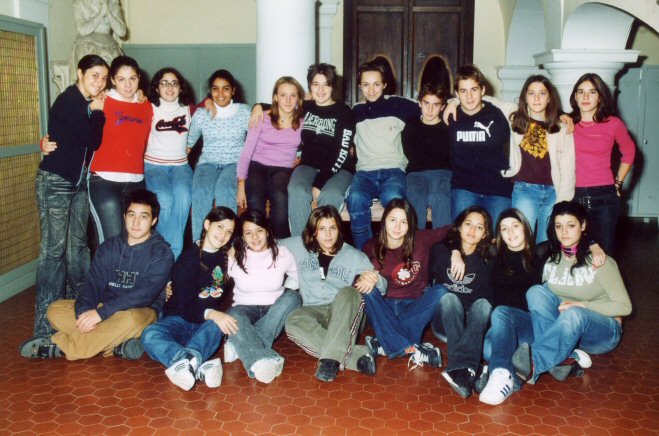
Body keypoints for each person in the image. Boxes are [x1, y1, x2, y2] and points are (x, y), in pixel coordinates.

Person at [19, 190, 174, 360]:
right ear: (124, 216)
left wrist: (100, 315)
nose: (136, 222)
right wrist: (85, 313)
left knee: (131, 320)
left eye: (144, 217)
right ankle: (116, 345)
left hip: (140, 312)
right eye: (131, 215)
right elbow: (92, 285)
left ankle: (62, 347)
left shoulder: (162, 253)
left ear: (153, 220)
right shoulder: (108, 247)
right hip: (105, 309)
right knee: (55, 310)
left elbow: (144, 296)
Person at [24, 55, 109, 348]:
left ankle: (78, 315)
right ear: (79, 73)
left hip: (78, 183)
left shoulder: (88, 101)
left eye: (103, 77)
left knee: (78, 250)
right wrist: (98, 112)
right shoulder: (70, 101)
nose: (100, 82)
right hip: (56, 183)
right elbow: (92, 139)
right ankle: (43, 328)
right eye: (94, 75)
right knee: (53, 253)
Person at [514, 201, 632, 384]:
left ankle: (533, 365)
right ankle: (563, 359)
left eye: (571, 225)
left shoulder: (600, 261)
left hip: (602, 332)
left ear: (583, 225)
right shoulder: (551, 259)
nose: (564, 232)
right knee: (535, 292)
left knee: (574, 313)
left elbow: (625, 307)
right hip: (566, 332)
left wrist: (582, 306)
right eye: (558, 226)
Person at [281, 206, 386, 382]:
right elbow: (268, 243)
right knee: (292, 320)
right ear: (314, 231)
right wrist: (237, 247)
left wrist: (374, 279)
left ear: (339, 229)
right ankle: (357, 357)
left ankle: (330, 361)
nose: (328, 234)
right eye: (322, 228)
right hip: (312, 310)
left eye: (333, 228)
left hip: (344, 313)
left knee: (349, 292)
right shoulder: (299, 246)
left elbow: (383, 287)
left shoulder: (354, 255)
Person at [142, 206, 238, 391]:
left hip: (204, 326)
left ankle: (185, 364)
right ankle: (196, 365)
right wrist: (212, 314)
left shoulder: (228, 257)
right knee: (149, 334)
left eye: (229, 231)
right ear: (207, 224)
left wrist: (237, 249)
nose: (223, 235)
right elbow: (184, 306)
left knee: (218, 325)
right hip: (179, 319)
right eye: (219, 227)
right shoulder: (188, 258)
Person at [358, 199, 452, 375]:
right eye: (393, 220)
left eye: (404, 221)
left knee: (441, 291)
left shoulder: (421, 239)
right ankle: (411, 348)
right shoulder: (370, 246)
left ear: (411, 224)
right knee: (366, 290)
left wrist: (455, 252)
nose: (397, 226)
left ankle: (384, 342)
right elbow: (357, 276)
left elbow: (452, 230)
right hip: (383, 308)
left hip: (413, 305)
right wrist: (365, 277)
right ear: (384, 220)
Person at [476, 209, 550, 405]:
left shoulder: (539, 253)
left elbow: (568, 237)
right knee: (487, 350)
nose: (510, 232)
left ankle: (500, 374)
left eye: (515, 226)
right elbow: (464, 239)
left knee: (501, 313)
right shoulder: (494, 255)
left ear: (525, 227)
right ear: (499, 234)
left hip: (528, 325)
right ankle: (523, 366)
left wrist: (593, 246)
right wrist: (456, 253)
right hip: (501, 326)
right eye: (504, 228)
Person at [345, 60, 420, 249]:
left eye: (376, 84)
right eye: (366, 85)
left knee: (394, 199)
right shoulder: (355, 111)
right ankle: (365, 252)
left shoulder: (398, 105)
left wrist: (452, 103)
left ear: (384, 84)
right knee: (355, 198)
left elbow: (430, 104)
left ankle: (395, 251)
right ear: (360, 86)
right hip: (365, 172)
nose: (371, 90)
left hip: (393, 170)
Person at [225, 210, 302, 383]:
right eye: (248, 232)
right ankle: (263, 359)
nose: (255, 237)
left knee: (293, 298)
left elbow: (297, 277)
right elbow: (217, 279)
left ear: (267, 231)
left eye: (259, 230)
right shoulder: (234, 254)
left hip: (274, 309)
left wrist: (285, 291)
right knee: (232, 315)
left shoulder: (282, 252)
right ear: (242, 236)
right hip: (244, 308)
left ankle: (241, 343)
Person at [430, 206, 494, 398]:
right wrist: (455, 252)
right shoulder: (440, 251)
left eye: (479, 227)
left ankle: (461, 373)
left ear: (485, 234)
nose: (472, 230)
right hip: (445, 322)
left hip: (472, 327)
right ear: (459, 227)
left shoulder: (487, 261)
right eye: (468, 224)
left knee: (484, 304)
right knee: (449, 298)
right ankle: (473, 366)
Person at [88, 55, 153, 243]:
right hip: (104, 181)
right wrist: (47, 142)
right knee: (112, 243)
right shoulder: (100, 101)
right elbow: (73, 128)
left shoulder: (146, 106)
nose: (128, 85)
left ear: (139, 78)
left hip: (136, 182)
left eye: (132, 78)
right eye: (121, 79)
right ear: (112, 80)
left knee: (136, 241)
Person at [569, 73, 636, 254]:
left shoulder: (613, 124)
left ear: (600, 97)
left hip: (605, 196)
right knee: (576, 251)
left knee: (604, 252)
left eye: (592, 92)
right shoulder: (567, 123)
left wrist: (618, 183)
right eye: (581, 92)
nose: (585, 96)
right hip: (573, 194)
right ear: (575, 96)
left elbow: (629, 151)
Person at [287, 64, 356, 236]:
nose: (321, 90)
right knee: (296, 190)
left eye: (326, 84)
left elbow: (342, 152)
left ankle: (325, 245)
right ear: (309, 86)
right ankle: (301, 243)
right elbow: (279, 105)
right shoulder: (304, 107)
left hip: (339, 168)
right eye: (316, 84)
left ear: (333, 87)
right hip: (308, 165)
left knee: (330, 195)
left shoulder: (344, 112)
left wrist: (319, 183)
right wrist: (258, 106)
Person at [506, 76, 575, 242]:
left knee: (546, 244)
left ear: (549, 97)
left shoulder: (561, 127)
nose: (536, 98)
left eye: (542, 93)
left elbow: (568, 167)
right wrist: (453, 101)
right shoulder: (515, 119)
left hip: (553, 192)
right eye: (531, 93)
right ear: (525, 97)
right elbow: (485, 100)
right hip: (524, 190)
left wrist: (563, 201)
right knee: (521, 241)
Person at [237, 77, 304, 238]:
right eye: (283, 95)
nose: (288, 100)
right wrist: (241, 184)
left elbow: (310, 145)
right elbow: (247, 150)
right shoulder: (262, 117)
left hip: (283, 168)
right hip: (257, 165)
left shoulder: (303, 122)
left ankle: (281, 244)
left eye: (293, 95)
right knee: (255, 199)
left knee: (280, 198)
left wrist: (300, 157)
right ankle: (256, 244)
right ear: (275, 97)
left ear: (298, 98)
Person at [445, 65, 512, 222]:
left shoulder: (498, 114)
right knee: (462, 232)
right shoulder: (449, 116)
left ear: (482, 90)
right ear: (457, 94)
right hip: (464, 187)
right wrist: (451, 102)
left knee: (500, 233)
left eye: (474, 90)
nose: (469, 96)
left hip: (497, 187)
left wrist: (563, 116)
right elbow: (425, 105)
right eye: (463, 91)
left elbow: (532, 111)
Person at [189, 69, 251, 240]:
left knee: (224, 190)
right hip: (207, 163)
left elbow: (260, 134)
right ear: (210, 91)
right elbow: (188, 143)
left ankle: (227, 244)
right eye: (215, 89)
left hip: (234, 164)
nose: (220, 93)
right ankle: (199, 243)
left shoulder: (245, 112)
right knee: (201, 191)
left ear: (233, 90)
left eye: (225, 88)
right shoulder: (202, 114)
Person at [144, 67, 195, 259]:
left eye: (174, 83)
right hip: (153, 165)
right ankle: (158, 251)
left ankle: (171, 256)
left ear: (181, 87)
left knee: (183, 198)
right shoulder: (148, 107)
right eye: (164, 83)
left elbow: (212, 106)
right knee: (164, 200)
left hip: (180, 166)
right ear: (157, 87)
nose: (169, 87)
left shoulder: (189, 109)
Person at [402, 82, 452, 229]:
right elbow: (410, 153)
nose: (430, 109)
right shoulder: (411, 125)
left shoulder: (448, 127)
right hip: (416, 173)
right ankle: (416, 240)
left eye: (436, 105)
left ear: (442, 107)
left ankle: (442, 239)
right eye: (426, 103)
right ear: (419, 103)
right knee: (415, 198)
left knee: (441, 198)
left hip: (442, 172)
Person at [69, 0, 126, 80]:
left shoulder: (113, 3)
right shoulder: (80, 2)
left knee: (117, 73)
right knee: (92, 75)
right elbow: (82, 30)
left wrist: (108, 12)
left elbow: (121, 32)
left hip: (109, 44)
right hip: (88, 44)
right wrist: (101, 13)